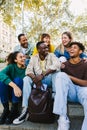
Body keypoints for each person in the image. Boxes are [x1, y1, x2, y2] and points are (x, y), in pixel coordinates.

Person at [13, 41, 61, 125]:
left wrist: (43, 75)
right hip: (37, 79)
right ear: (38, 49)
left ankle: (54, 98)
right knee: (26, 79)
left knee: (57, 73)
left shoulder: (51, 55)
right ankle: (25, 110)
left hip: (48, 79)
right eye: (44, 48)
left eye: (47, 47)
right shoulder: (34, 57)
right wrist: (35, 78)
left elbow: (57, 65)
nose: (47, 49)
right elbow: (28, 70)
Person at [53, 42, 87, 130]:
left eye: (74, 48)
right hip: (70, 92)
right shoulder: (64, 65)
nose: (71, 49)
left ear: (80, 52)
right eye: (70, 48)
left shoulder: (85, 64)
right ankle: (62, 118)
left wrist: (70, 77)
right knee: (60, 75)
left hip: (82, 91)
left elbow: (86, 83)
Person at [0, 51, 26, 125]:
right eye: (21, 57)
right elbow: (0, 74)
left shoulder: (28, 68)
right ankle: (6, 110)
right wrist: (14, 86)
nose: (23, 58)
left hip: (20, 94)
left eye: (24, 56)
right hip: (10, 93)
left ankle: (14, 110)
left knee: (18, 80)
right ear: (15, 60)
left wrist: (17, 86)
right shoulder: (11, 67)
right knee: (1, 82)